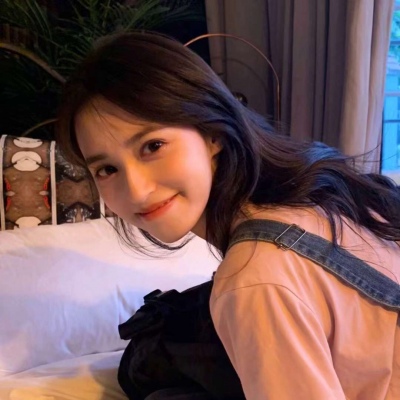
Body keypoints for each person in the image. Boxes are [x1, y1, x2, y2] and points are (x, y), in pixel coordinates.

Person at [56, 31, 400, 400]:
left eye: (152, 146)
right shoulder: (322, 191)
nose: (136, 191)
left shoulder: (254, 280)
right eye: (107, 169)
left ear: (212, 133)